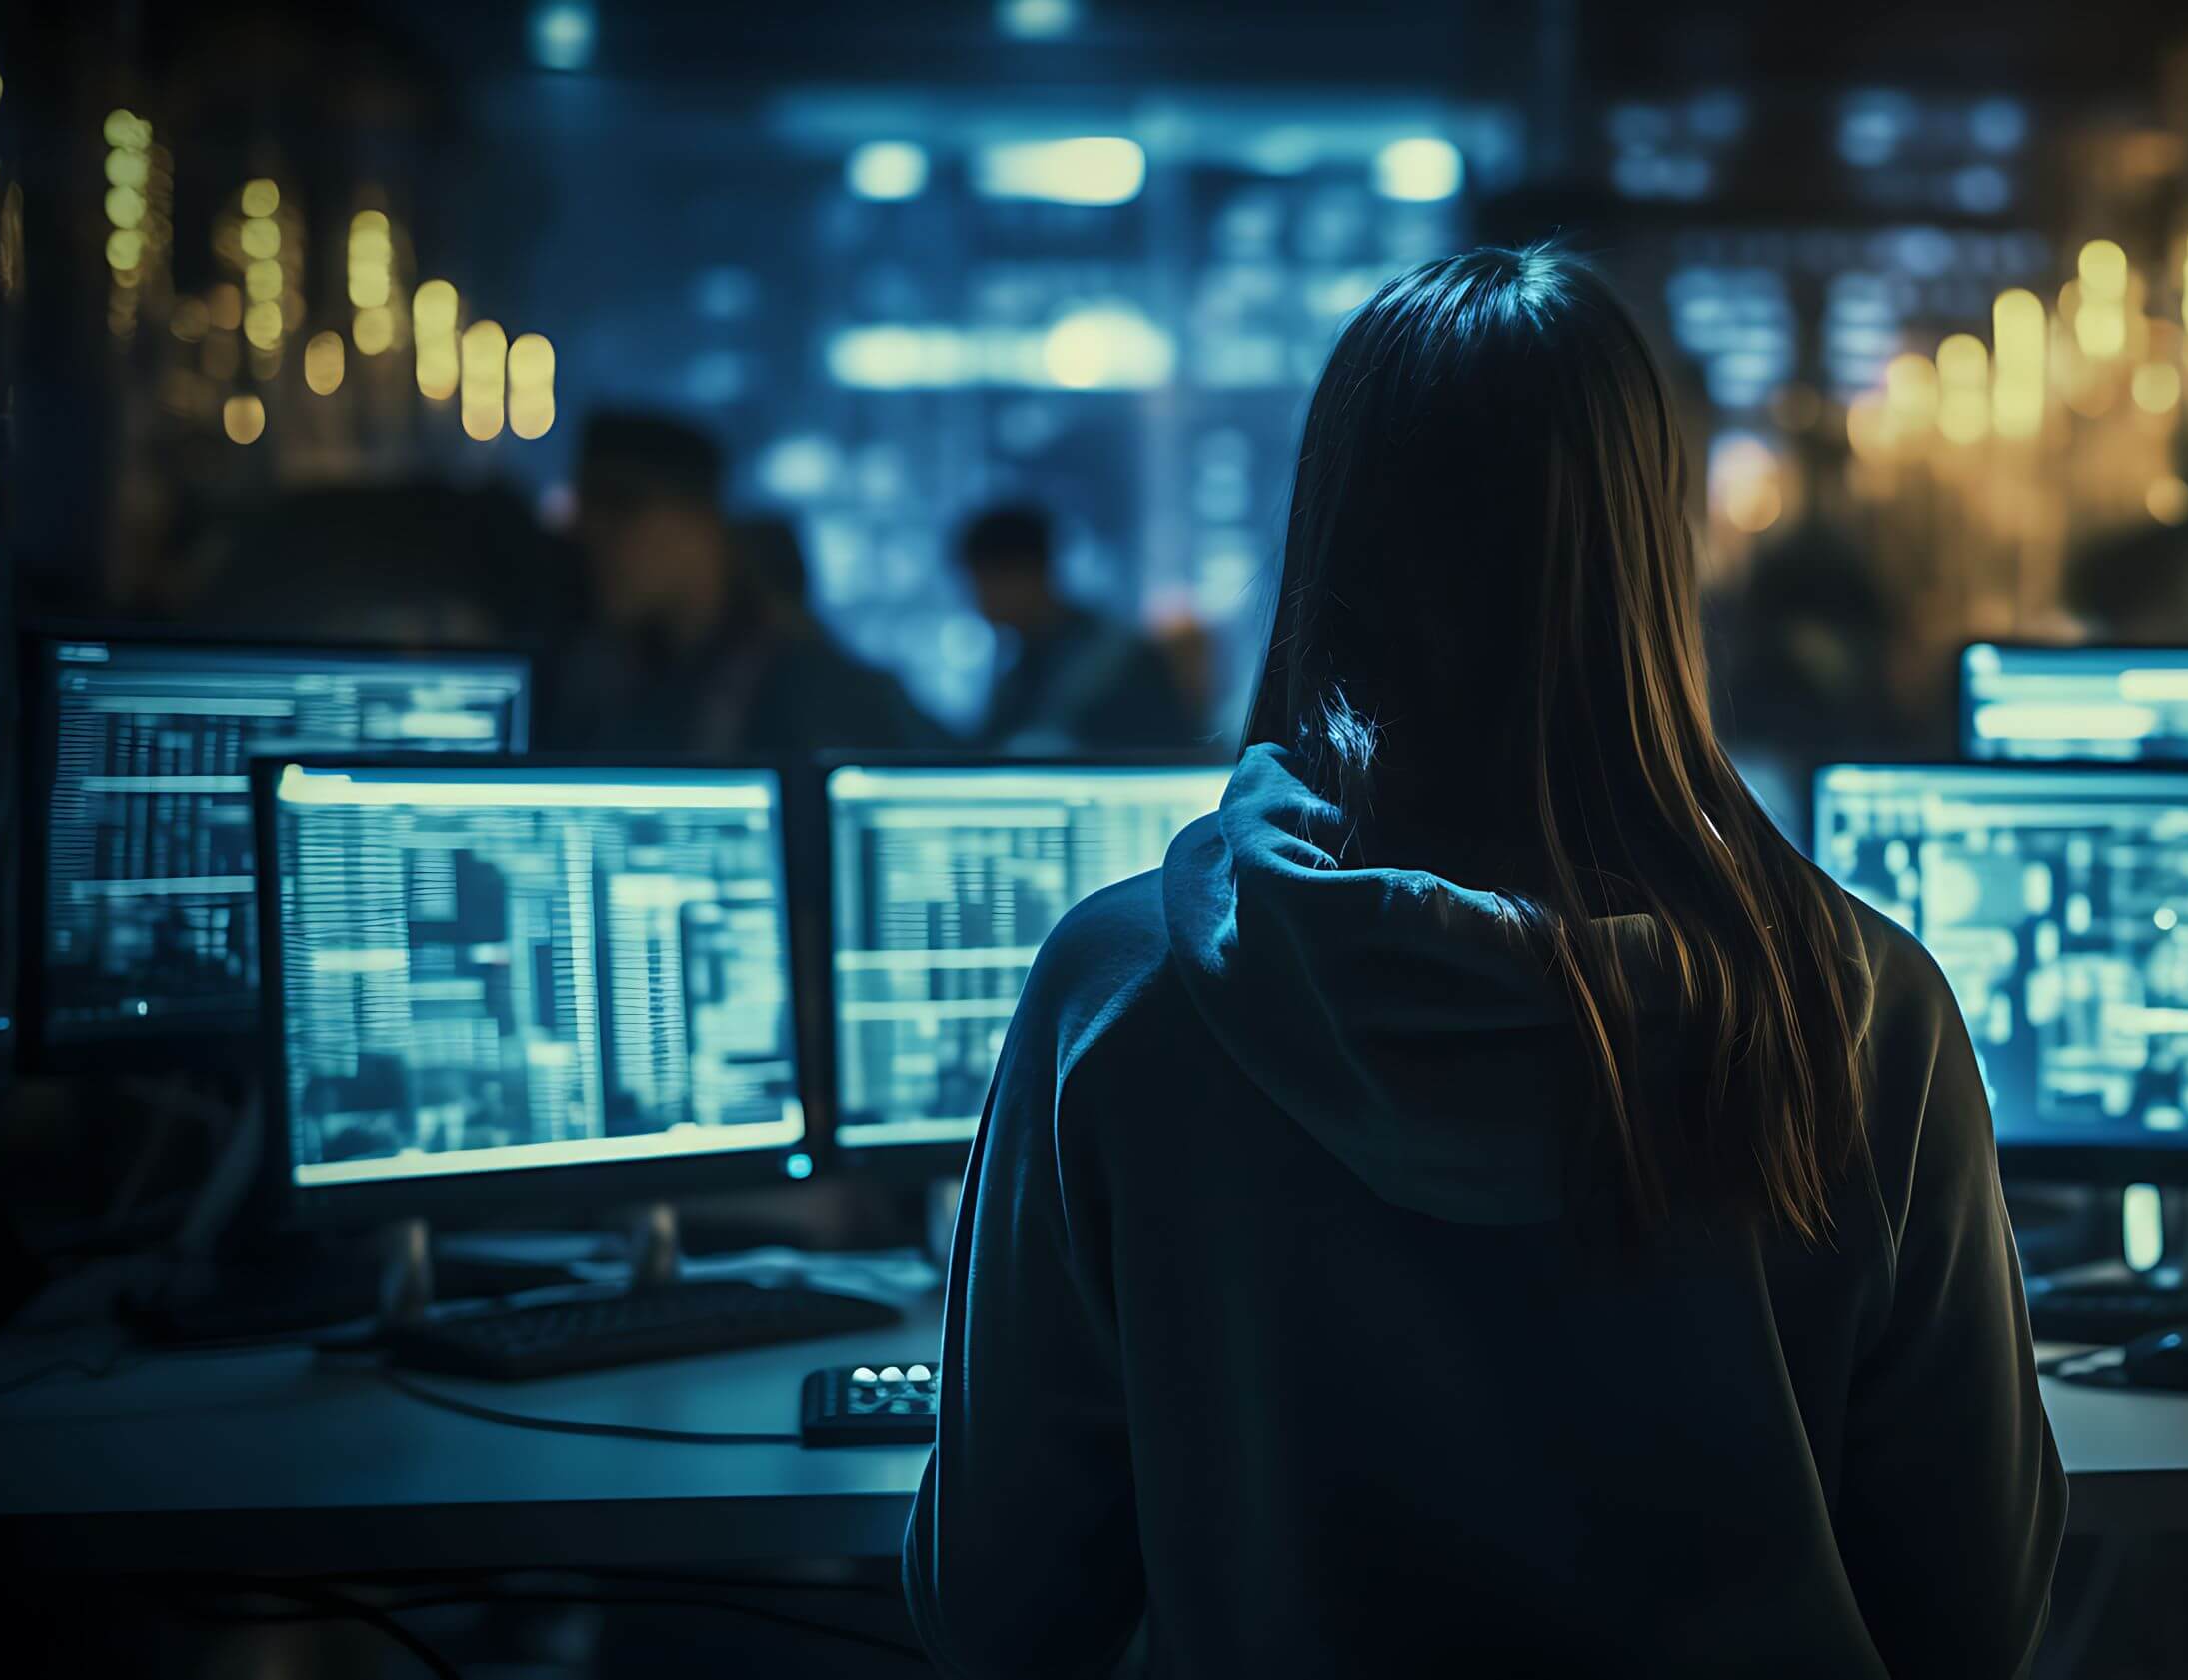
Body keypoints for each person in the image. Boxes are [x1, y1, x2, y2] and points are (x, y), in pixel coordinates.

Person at [906, 248, 2064, 1676]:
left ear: (1325, 538)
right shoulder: (1858, 1006)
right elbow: (1977, 1619)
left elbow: (996, 1611)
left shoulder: (1120, 997)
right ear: (1658, 560)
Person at [553, 411, 944, 756]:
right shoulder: (610, 679)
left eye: (621, 515)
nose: (597, 546)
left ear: (699, 522)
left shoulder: (809, 687)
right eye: (588, 522)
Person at [956, 504, 1199, 753]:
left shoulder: (1115, 658)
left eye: (980, 582)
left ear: (1023, 573)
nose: (976, 599)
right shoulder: (1023, 660)